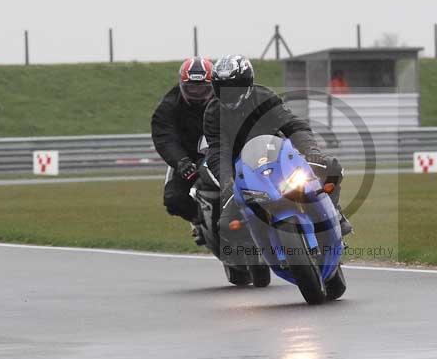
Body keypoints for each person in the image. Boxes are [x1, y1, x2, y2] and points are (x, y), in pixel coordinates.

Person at [203, 55, 353, 262]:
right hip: (242, 170)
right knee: (226, 225)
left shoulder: (264, 97)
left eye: (235, 86)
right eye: (222, 87)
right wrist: (227, 182)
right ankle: (251, 256)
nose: (229, 93)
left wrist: (311, 153)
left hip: (277, 157)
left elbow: (292, 124)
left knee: (331, 168)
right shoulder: (212, 113)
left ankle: (334, 213)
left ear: (247, 83)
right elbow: (218, 150)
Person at [151, 57, 214, 238]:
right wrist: (181, 161)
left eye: (202, 87)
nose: (197, 92)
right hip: (187, 157)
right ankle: (198, 221)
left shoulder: (225, 99)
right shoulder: (169, 106)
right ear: (182, 86)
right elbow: (164, 137)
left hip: (221, 154)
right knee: (173, 199)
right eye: (191, 87)